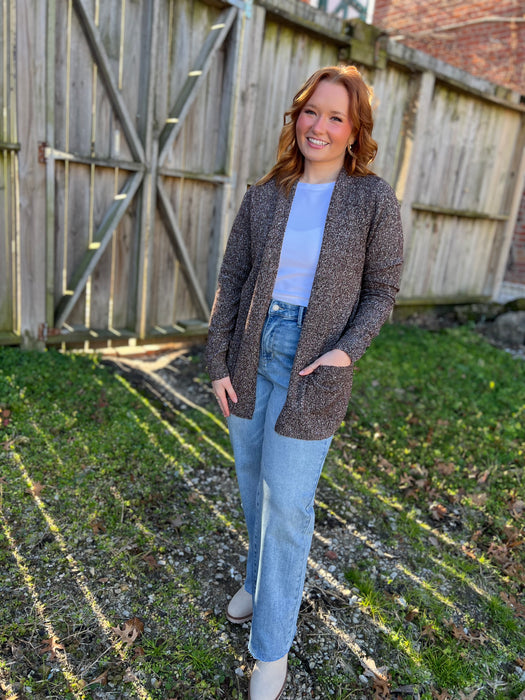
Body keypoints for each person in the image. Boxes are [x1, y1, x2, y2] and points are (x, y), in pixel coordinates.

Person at [205, 65, 403, 700]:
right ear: (297, 118)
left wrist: (347, 351)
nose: (320, 125)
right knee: (252, 485)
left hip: (314, 364)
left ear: (354, 131)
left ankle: (271, 652)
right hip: (248, 352)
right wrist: (217, 362)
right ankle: (260, 583)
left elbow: (382, 290)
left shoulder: (373, 199)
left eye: (336, 116)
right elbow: (232, 280)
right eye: (311, 111)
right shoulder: (265, 195)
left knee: (288, 505)